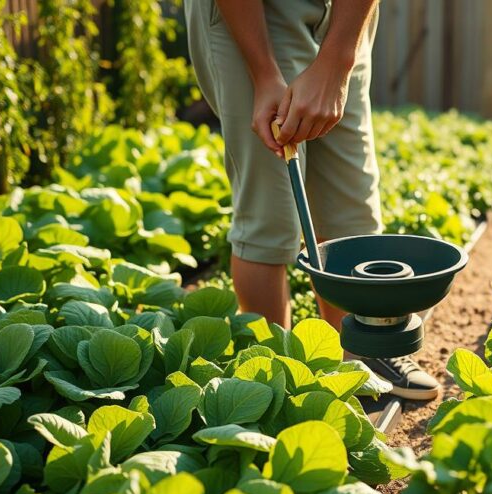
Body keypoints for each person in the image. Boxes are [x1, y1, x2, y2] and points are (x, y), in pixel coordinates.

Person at [184, 0, 440, 400]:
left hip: (344, 15)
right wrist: (264, 74)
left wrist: (338, 59)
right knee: (269, 215)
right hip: (254, 17)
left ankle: (361, 354)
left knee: (352, 206)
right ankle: (275, 374)